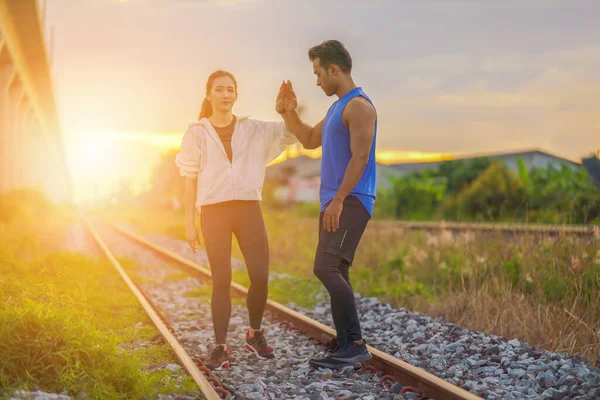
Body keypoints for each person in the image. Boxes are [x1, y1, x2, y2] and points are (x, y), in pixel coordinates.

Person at [175, 70, 298, 370]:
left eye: (230, 89)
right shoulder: (196, 132)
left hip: (248, 210)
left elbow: (289, 135)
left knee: (260, 275)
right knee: (222, 280)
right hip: (214, 212)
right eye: (219, 89)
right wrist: (190, 222)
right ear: (209, 94)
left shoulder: (252, 128)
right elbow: (189, 178)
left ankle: (254, 334)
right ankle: (220, 346)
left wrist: (289, 111)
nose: (225, 94)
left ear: (236, 95)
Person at [275, 40, 378, 369]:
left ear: (334, 69)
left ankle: (357, 344)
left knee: (325, 267)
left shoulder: (359, 106)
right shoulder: (337, 107)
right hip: (336, 201)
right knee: (338, 269)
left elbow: (360, 158)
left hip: (351, 200)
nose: (317, 81)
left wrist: (337, 200)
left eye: (318, 74)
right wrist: (288, 112)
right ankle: (345, 342)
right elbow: (307, 140)